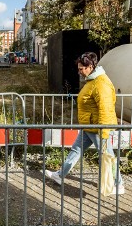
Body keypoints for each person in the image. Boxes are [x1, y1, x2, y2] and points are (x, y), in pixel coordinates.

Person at [45, 52, 123, 193]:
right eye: (79, 68)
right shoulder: (92, 80)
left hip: (99, 129)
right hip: (89, 127)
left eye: (81, 69)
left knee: (108, 156)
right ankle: (60, 175)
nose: (79, 71)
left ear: (91, 66)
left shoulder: (100, 83)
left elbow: (105, 108)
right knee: (76, 151)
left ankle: (118, 184)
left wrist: (104, 131)